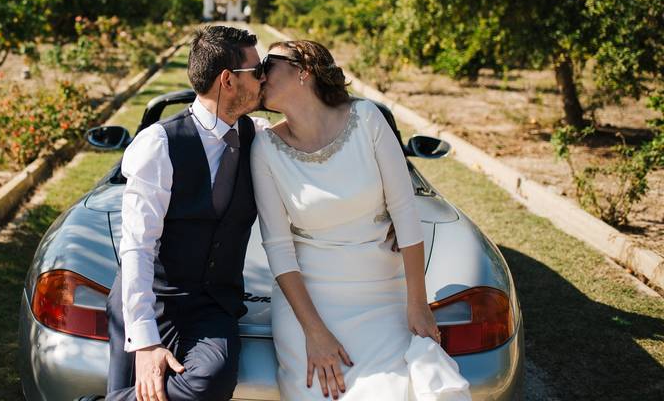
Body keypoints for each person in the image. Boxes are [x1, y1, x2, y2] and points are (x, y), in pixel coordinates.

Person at [250, 40, 470, 400]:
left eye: (268, 63)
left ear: (303, 70)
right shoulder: (265, 149)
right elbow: (277, 246)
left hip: (384, 293)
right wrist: (315, 333)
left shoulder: (367, 119)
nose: (260, 73)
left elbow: (405, 211)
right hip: (309, 303)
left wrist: (417, 302)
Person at [102, 25, 269, 401]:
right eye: (258, 71)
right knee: (142, 390)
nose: (265, 79)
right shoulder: (159, 145)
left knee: (212, 380)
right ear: (228, 80)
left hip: (212, 306)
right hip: (155, 297)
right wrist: (144, 341)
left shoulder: (259, 137)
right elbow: (138, 247)